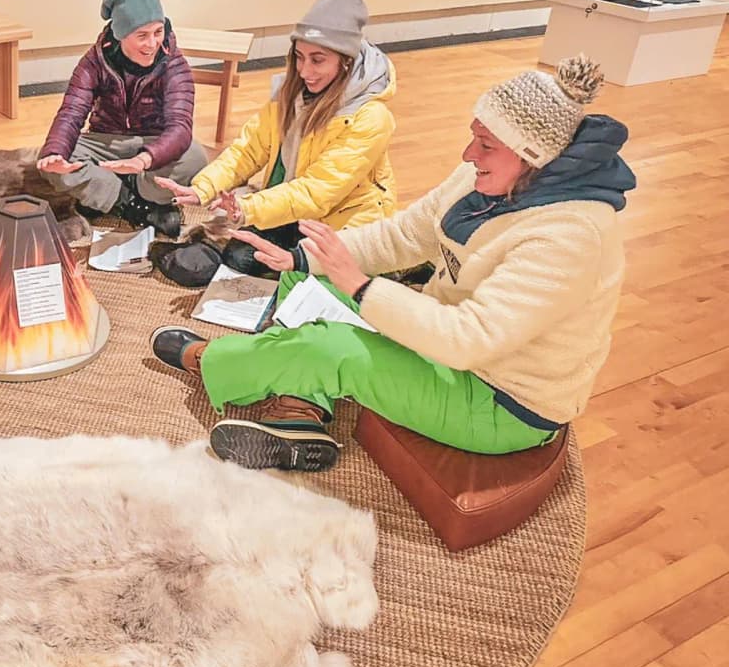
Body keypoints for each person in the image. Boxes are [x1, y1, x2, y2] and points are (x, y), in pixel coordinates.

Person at [150, 55, 635, 472]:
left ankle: (211, 361)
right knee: (308, 275)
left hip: (500, 402)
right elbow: (404, 235)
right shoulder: (487, 175)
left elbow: (468, 340)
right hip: (448, 347)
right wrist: (301, 256)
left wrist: (361, 288)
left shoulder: (570, 235)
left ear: (534, 157)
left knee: (332, 345)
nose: (469, 154)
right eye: (474, 137)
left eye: (486, 145)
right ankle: (299, 413)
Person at [156, 0, 396, 280]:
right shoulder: (291, 92)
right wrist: (203, 188)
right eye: (299, 57)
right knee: (238, 258)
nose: (305, 71)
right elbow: (249, 149)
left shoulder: (371, 117)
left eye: (317, 60)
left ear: (346, 61)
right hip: (292, 209)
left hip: (340, 224)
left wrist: (247, 208)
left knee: (305, 281)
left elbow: (316, 193)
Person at [37, 0, 206, 238]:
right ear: (120, 34)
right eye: (142, 35)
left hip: (153, 143)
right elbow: (71, 113)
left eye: (158, 32)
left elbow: (180, 127)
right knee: (50, 162)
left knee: (196, 157)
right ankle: (133, 204)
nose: (153, 43)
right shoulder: (94, 61)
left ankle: (113, 192)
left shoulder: (174, 63)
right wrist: (55, 153)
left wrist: (143, 160)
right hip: (105, 140)